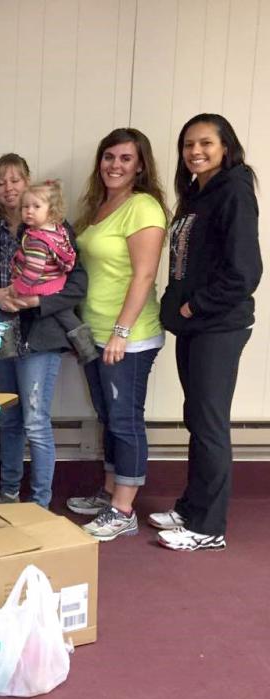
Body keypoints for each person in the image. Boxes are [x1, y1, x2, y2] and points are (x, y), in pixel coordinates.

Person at [151, 114, 262, 551]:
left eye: (205, 143)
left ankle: (209, 527)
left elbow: (245, 272)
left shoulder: (234, 190)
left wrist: (195, 304)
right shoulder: (196, 194)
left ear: (225, 146)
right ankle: (191, 507)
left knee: (211, 424)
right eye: (188, 145)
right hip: (194, 326)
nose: (195, 151)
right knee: (197, 418)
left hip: (219, 325)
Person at [66, 128, 168, 541]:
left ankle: (124, 510)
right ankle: (110, 493)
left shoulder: (143, 207)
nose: (115, 165)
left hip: (127, 336)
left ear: (140, 165)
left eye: (126, 158)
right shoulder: (100, 206)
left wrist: (121, 333)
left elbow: (144, 274)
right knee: (107, 417)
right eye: (109, 157)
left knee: (125, 420)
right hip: (93, 332)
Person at [0, 154, 88, 508]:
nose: (9, 189)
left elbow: (77, 284)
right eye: (1, 182)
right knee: (7, 418)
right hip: (0, 333)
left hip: (40, 335)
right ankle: (8, 494)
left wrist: (35, 301)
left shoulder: (56, 227)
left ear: (28, 183)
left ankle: (39, 503)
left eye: (15, 180)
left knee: (36, 421)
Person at [8, 181, 97, 364]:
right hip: (57, 281)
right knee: (64, 314)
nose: (29, 211)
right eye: (25, 207)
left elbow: (32, 271)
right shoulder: (59, 231)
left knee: (7, 311)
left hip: (40, 285)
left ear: (51, 210)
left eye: (36, 206)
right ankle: (86, 348)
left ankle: (6, 354)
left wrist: (18, 288)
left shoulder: (36, 239)